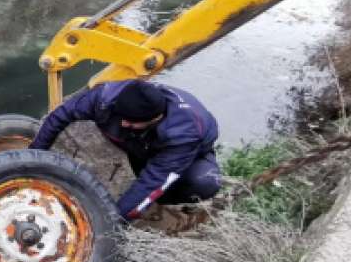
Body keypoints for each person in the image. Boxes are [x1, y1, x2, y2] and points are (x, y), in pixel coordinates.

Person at [29, 79, 221, 221]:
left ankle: (165, 203)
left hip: (185, 154)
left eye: (130, 121)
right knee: (139, 172)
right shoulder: (107, 96)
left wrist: (110, 222)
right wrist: (33, 157)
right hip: (140, 143)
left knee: (204, 182)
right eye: (121, 116)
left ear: (154, 119)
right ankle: (137, 192)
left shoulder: (183, 133)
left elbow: (152, 182)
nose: (122, 122)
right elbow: (60, 116)